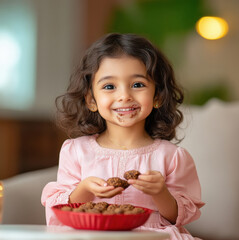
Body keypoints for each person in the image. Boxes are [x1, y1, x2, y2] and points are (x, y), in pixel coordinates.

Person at [41, 33, 205, 239]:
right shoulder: (75, 151)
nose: (124, 96)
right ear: (92, 100)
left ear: (157, 96)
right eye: (109, 87)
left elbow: (180, 217)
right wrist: (84, 190)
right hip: (93, 235)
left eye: (137, 84)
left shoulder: (172, 157)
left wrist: (160, 192)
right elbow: (58, 213)